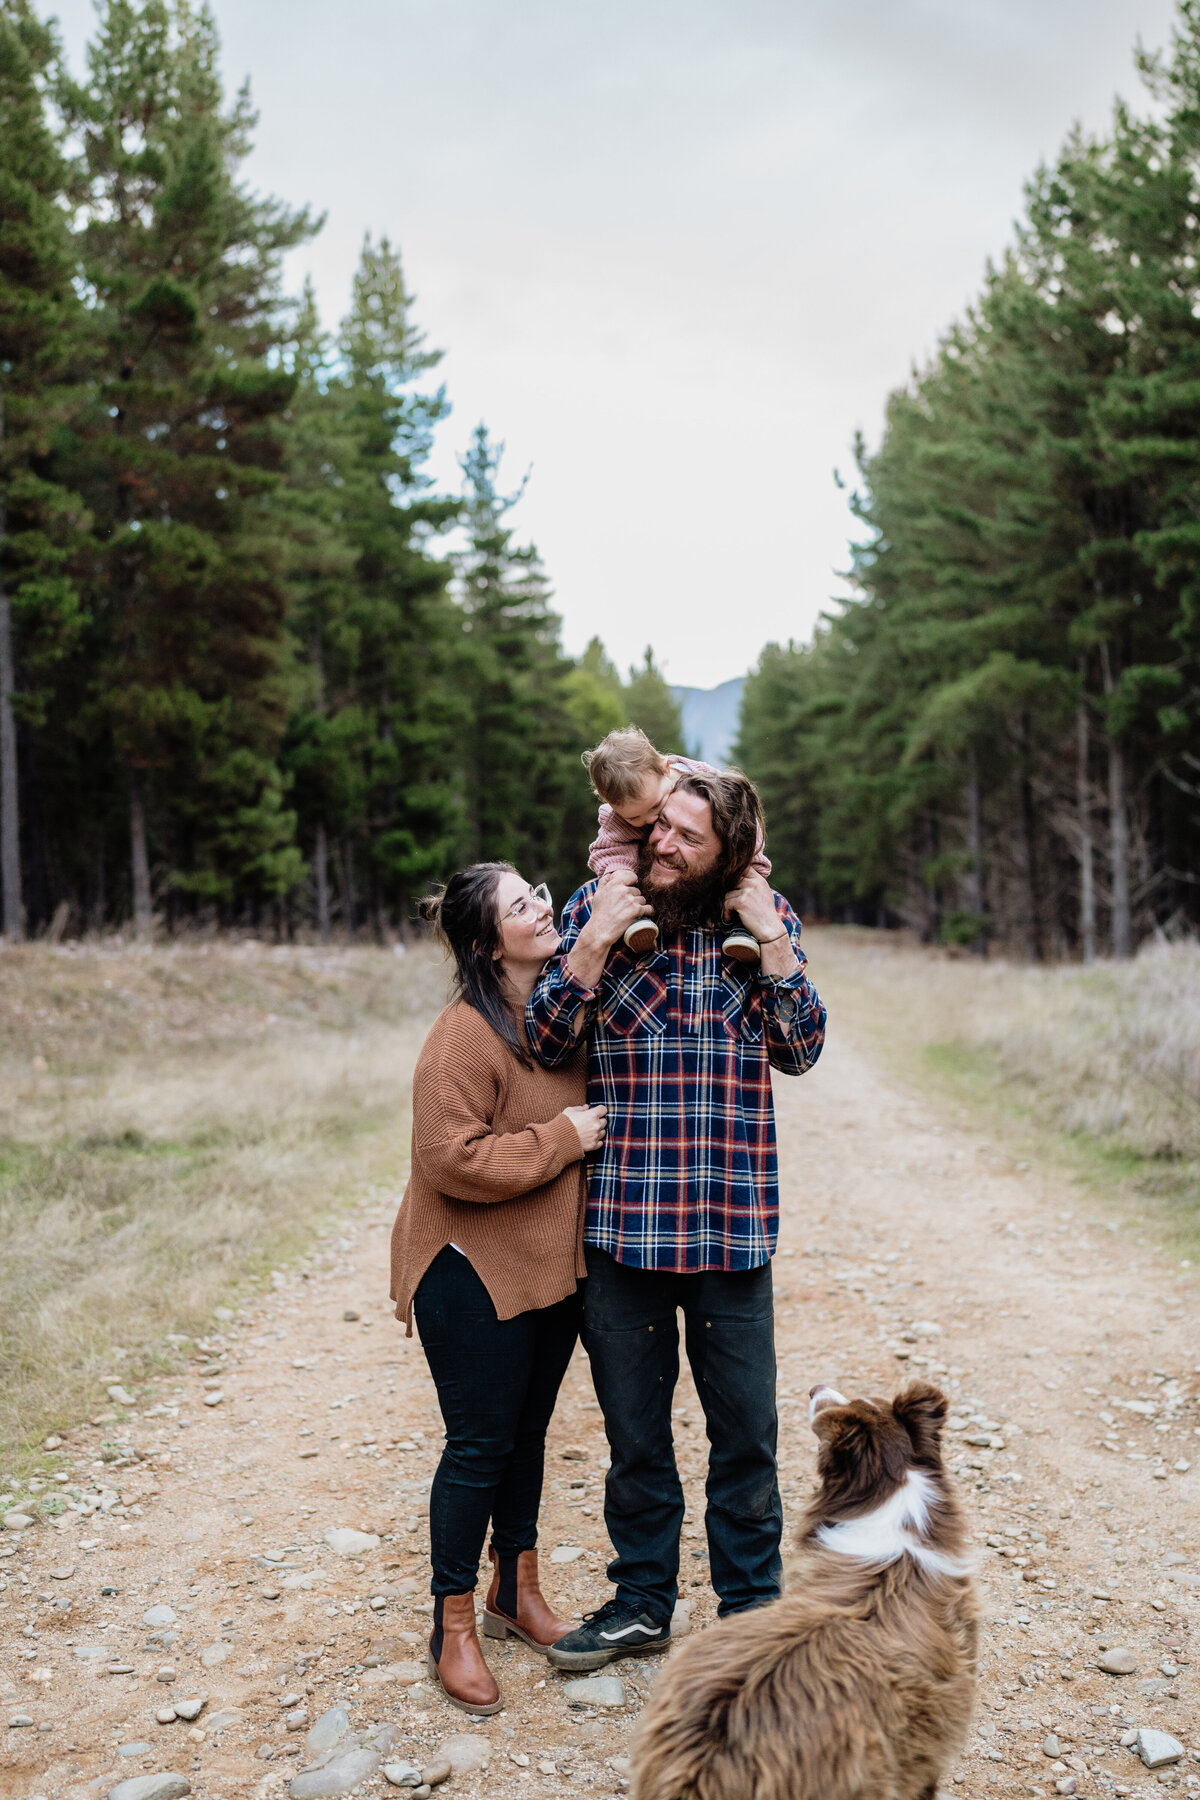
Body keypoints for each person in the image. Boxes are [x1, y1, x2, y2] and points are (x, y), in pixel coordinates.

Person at [525, 769, 827, 1671]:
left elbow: (802, 1049)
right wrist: (592, 947)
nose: (664, 846)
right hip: (624, 1230)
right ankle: (643, 1602)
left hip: (734, 1231)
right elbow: (544, 1038)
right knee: (635, 1438)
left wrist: (772, 938)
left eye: (688, 839)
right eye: (661, 829)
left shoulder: (762, 924)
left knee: (746, 1439)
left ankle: (749, 1614)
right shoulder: (598, 903)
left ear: (729, 855)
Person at [389, 863, 608, 1713]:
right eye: (522, 906)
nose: (544, 908)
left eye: (540, 892)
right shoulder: (462, 1036)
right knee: (480, 1445)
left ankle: (515, 1590)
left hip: (547, 1267)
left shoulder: (555, 1013)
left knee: (526, 1436)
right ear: (488, 943)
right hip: (466, 1269)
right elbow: (449, 1157)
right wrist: (559, 1138)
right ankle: (451, 1625)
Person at [583, 726, 770, 961]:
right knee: (618, 873)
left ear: (666, 768)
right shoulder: (617, 816)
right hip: (627, 858)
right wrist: (616, 875)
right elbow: (605, 847)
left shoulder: (702, 776)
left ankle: (743, 927)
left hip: (737, 862)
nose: (648, 821)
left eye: (655, 809)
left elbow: (741, 816)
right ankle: (634, 915)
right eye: (634, 818)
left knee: (746, 878)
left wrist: (748, 861)